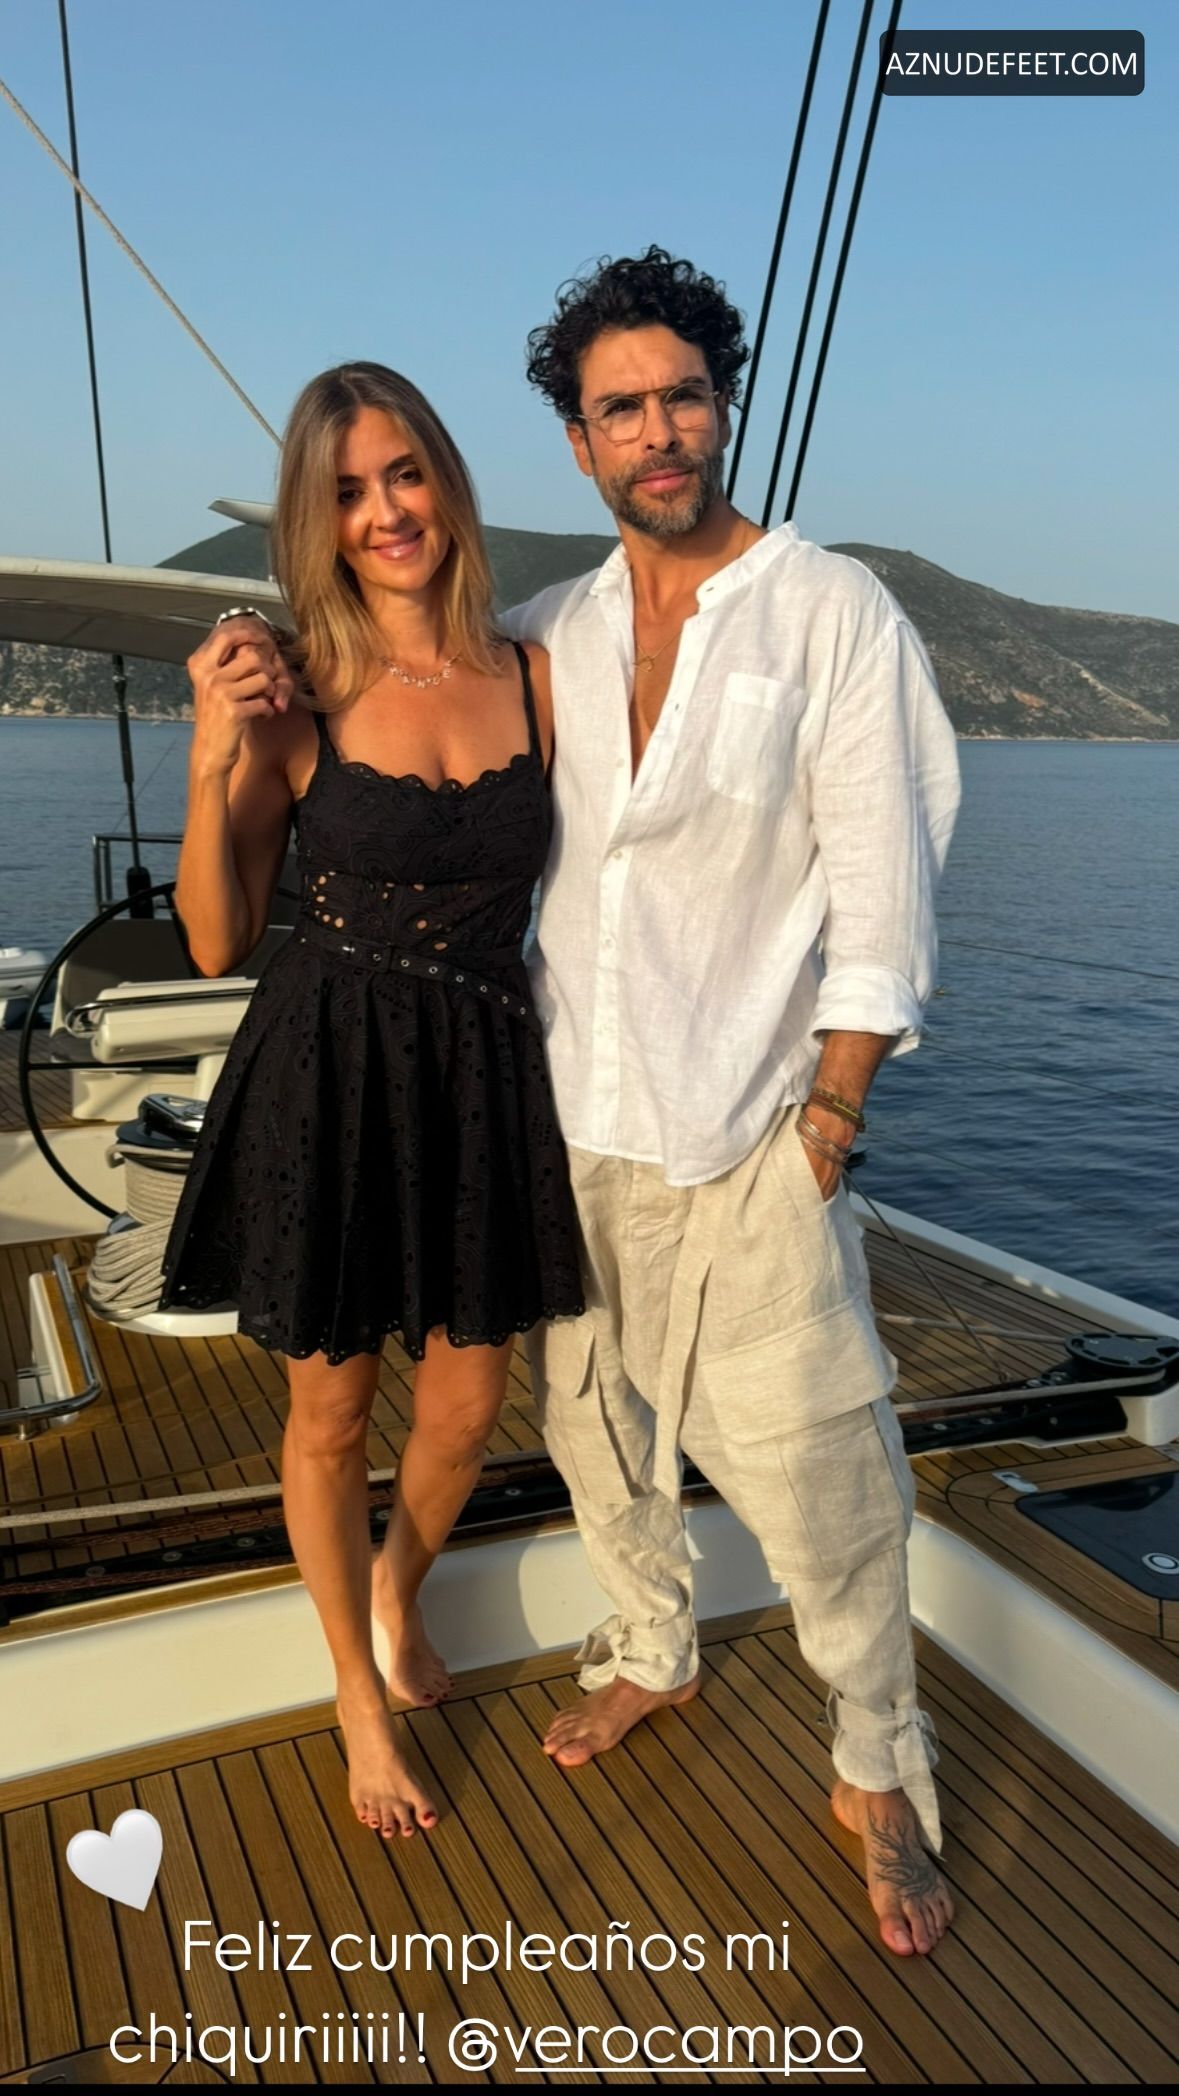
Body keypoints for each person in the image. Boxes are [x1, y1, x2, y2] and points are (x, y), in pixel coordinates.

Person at [213, 247, 962, 1956]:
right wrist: (245, 672)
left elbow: (889, 883)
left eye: (682, 395)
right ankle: (652, 1650)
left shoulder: (833, 612)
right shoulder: (553, 633)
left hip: (751, 1131)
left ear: (723, 404)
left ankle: (878, 1763)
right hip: (556, 1121)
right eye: (621, 408)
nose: (657, 430)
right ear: (577, 442)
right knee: (596, 1435)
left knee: (825, 1467)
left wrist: (832, 1116)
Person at [158, 361, 584, 1841]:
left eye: (404, 474)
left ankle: (397, 1588)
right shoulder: (292, 691)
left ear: (446, 482)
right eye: (348, 491)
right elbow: (215, 939)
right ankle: (354, 1691)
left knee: (468, 1405)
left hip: (484, 1072)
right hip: (330, 1070)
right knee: (331, 1413)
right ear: (316, 518)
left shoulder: (535, 674)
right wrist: (211, 758)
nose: (386, 510)